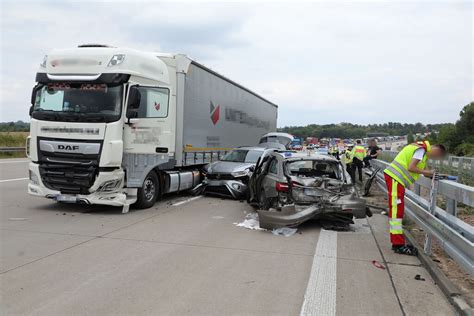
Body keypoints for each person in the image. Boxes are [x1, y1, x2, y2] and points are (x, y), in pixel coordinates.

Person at [384, 140, 446, 255]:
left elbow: (421, 170)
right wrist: (428, 172)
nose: (435, 158)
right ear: (436, 151)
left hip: (396, 180)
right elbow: (411, 168)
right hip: (395, 179)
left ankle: (397, 242)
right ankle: (398, 245)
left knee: (397, 211)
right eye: (437, 156)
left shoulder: (420, 149)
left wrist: (429, 173)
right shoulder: (421, 150)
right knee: (396, 212)